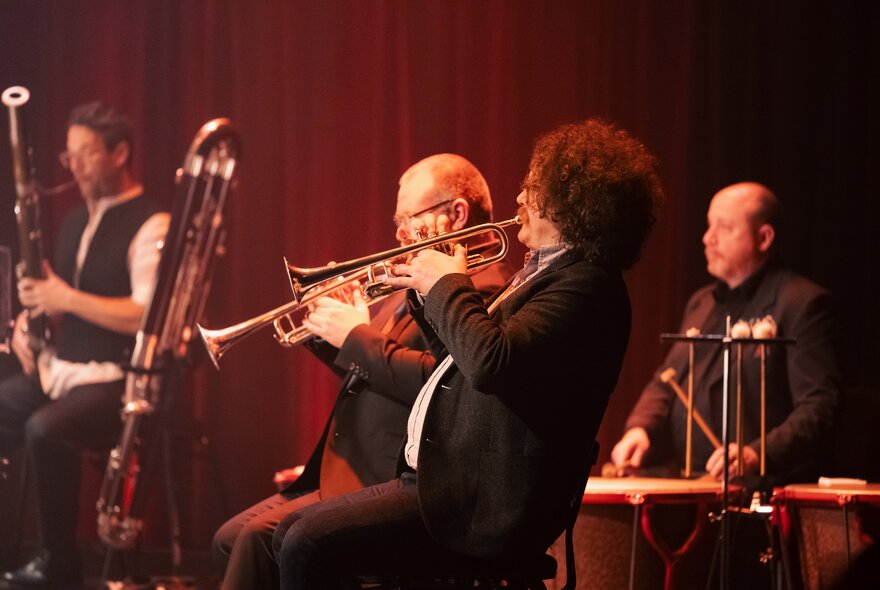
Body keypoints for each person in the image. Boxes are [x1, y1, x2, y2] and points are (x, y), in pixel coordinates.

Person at [270, 119, 663, 590]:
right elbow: (456, 362)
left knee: (304, 542)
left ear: (569, 203)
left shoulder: (586, 288)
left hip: (480, 505)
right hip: (444, 485)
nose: (518, 199)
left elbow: (489, 361)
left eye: (532, 188)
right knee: (292, 534)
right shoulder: (544, 277)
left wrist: (447, 283)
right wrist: (421, 289)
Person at [211, 153, 511, 590]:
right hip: (346, 464)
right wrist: (330, 334)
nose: (399, 234)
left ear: (456, 214)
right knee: (228, 538)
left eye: (408, 218)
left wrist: (356, 336)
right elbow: (379, 372)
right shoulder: (409, 285)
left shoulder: (481, 290)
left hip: (386, 476)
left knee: (257, 542)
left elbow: (441, 385)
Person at [0, 102, 169, 588]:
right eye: (68, 155)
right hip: (63, 369)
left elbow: (145, 314)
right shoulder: (75, 219)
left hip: (118, 378)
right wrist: (29, 323)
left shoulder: (151, 222)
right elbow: (56, 302)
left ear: (120, 153)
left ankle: (59, 562)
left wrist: (64, 297)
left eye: (86, 154)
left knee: (44, 429)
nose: (73, 166)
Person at [611, 182, 840, 484]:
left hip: (761, 489)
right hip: (692, 481)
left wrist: (756, 454)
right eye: (709, 226)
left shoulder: (801, 303)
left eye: (724, 228)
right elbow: (667, 381)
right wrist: (640, 429)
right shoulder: (701, 302)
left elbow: (820, 405)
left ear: (764, 238)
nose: (708, 239)